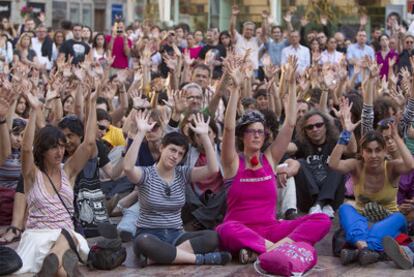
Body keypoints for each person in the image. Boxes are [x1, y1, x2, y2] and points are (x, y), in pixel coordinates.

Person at [216, 54, 331, 264]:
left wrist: (292, 83)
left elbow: (289, 124)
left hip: (272, 230)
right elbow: (229, 127)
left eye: (260, 131)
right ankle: (275, 250)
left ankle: (262, 250)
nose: (257, 135)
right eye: (251, 131)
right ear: (243, 136)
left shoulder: (269, 158)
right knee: (225, 229)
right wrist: (235, 90)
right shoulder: (232, 162)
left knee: (322, 219)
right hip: (241, 230)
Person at [123, 111, 231, 266]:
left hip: (176, 235)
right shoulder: (146, 174)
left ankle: (164, 256)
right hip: (150, 234)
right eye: (172, 150)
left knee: (212, 237)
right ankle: (200, 259)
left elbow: (213, 169)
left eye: (180, 154)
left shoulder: (182, 173)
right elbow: (127, 167)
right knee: (143, 242)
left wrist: (205, 136)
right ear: (162, 148)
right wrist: (141, 132)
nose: (175, 156)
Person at [14, 88, 98, 275]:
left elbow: (89, 143)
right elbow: (26, 150)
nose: (60, 152)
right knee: (61, 269)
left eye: (61, 147)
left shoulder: (68, 171)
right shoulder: (31, 174)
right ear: (43, 150)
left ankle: (53, 262)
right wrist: (35, 111)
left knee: (64, 240)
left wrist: (92, 104)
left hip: (65, 235)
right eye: (53, 147)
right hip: (37, 237)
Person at [329, 110, 414, 265]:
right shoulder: (356, 165)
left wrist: (396, 137)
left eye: (378, 150)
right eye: (369, 151)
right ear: (363, 152)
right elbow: (333, 164)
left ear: (384, 151)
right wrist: (346, 133)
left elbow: (410, 164)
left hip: (389, 221)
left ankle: (360, 249)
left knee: (399, 217)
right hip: (362, 222)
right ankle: (366, 249)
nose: (374, 155)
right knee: (345, 209)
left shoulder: (392, 167)